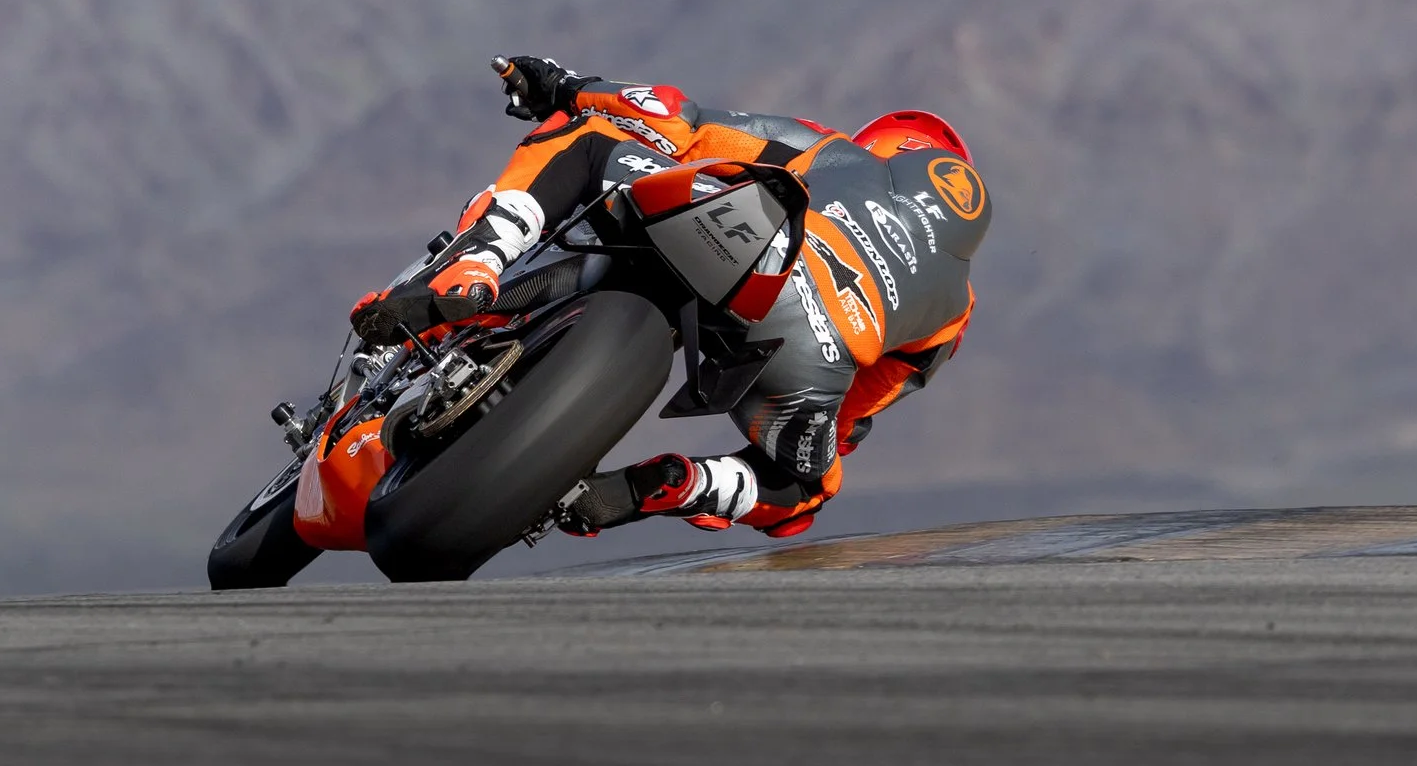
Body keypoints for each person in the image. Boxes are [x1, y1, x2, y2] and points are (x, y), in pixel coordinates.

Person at [349, 55, 991, 539]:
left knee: (589, 139)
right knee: (804, 488)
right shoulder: (953, 315)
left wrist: (563, 86)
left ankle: (473, 268)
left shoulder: (837, 152)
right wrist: (820, 424)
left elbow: (674, 116)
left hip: (736, 237)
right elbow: (852, 418)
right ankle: (675, 485)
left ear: (885, 145)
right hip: (812, 352)